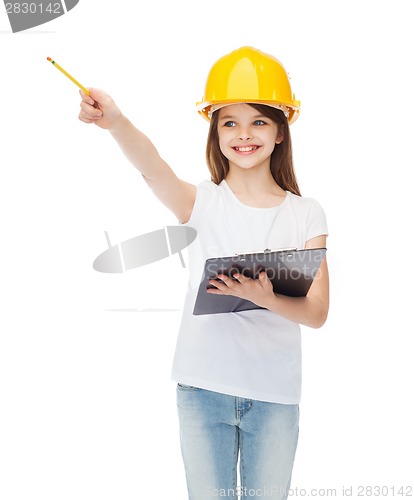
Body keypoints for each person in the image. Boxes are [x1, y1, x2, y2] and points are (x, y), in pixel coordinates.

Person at [79, 46, 329, 500]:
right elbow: (152, 167)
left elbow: (316, 313)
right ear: (215, 133)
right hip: (202, 389)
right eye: (229, 122)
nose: (243, 134)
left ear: (280, 130)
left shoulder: (306, 214)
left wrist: (263, 296)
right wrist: (115, 122)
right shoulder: (201, 203)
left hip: (275, 397)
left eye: (257, 121)